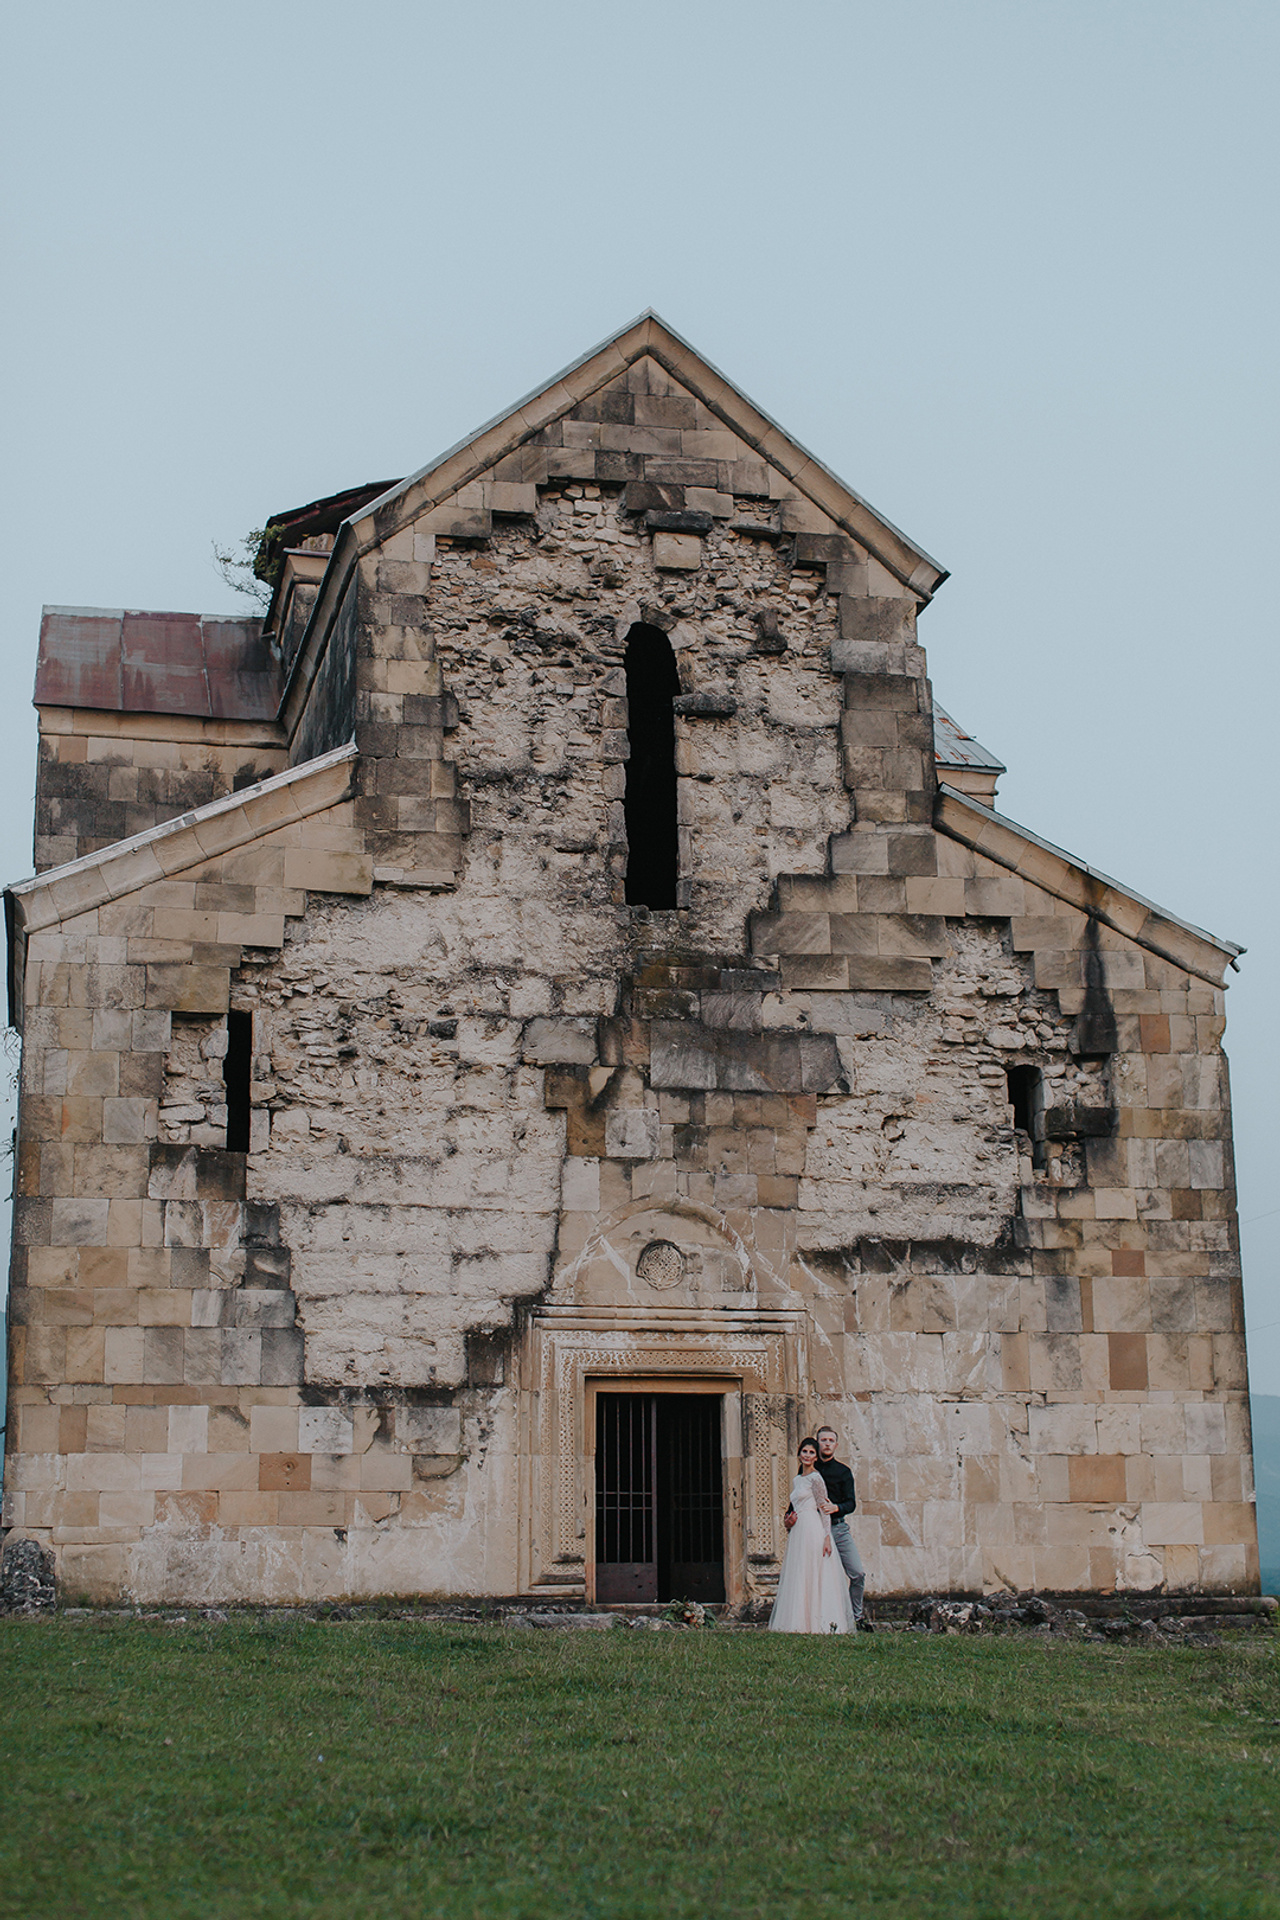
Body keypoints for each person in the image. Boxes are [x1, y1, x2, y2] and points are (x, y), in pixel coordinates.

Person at [768, 1438, 857, 1634]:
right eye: (804, 1451)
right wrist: (787, 1522)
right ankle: (799, 1622)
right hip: (799, 1529)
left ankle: (820, 1622)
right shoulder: (797, 1479)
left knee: (814, 1572)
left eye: (811, 1452)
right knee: (800, 1572)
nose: (807, 1455)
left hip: (812, 1528)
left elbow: (823, 1508)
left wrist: (827, 1537)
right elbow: (793, 1507)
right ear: (799, 1454)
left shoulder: (816, 1478)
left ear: (816, 1457)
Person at [782, 1424, 866, 1625]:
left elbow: (851, 1503)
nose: (826, 1444)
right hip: (812, 1529)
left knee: (857, 1573)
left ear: (836, 1445)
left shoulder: (843, 1472)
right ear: (817, 1444)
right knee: (815, 1575)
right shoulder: (808, 1469)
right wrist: (788, 1519)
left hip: (836, 1527)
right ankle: (816, 1618)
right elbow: (795, 1503)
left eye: (830, 1440)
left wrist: (836, 1508)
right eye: (823, 1440)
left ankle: (857, 1617)